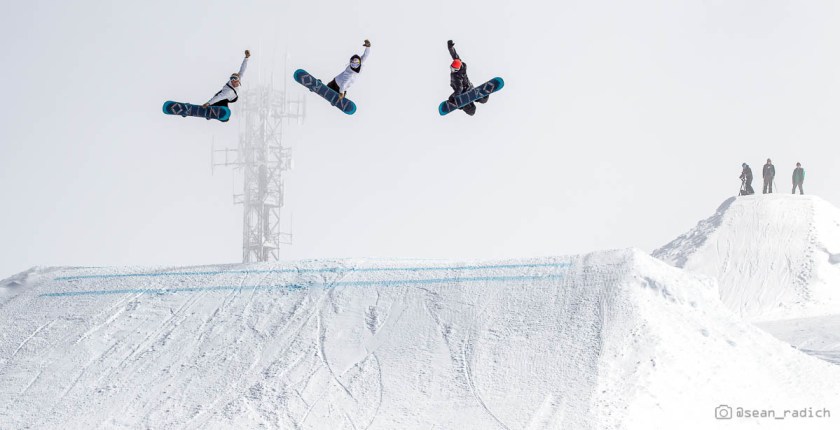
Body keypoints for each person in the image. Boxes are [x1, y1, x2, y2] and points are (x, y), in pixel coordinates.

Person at [447, 40, 488, 116]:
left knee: (473, 110)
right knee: (473, 110)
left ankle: (482, 97)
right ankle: (482, 98)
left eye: (454, 69)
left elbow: (459, 89)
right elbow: (454, 55)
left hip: (463, 92)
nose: (452, 70)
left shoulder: (456, 76)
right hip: (468, 88)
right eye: (451, 68)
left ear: (459, 68)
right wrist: (450, 47)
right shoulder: (460, 64)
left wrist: (451, 97)